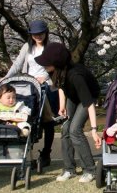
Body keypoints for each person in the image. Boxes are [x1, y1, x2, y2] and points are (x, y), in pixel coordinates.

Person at [35, 42, 102, 183]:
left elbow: (89, 104)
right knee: (65, 129)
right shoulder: (56, 72)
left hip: (87, 98)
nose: (44, 65)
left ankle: (90, 170)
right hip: (72, 96)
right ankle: (69, 169)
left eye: (47, 62)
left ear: (57, 63)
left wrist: (94, 130)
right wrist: (62, 106)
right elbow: (61, 87)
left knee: (75, 130)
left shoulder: (76, 76)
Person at [0, 20, 56, 167]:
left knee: (47, 121)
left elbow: (57, 66)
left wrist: (46, 77)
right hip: (28, 85)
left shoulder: (50, 47)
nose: (38, 36)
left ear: (46, 33)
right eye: (35, 34)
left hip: (45, 86)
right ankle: (21, 151)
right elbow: (18, 64)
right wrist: (6, 78)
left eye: (41, 33)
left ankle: (46, 153)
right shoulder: (27, 47)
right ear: (31, 35)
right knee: (25, 117)